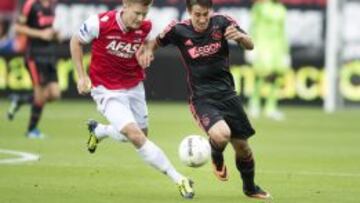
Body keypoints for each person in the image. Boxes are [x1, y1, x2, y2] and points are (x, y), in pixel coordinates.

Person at [137, 0, 271, 200]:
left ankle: (250, 188)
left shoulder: (223, 22)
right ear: (189, 12)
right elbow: (155, 43)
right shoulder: (178, 29)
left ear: (211, 11)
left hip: (228, 94)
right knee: (222, 134)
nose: (201, 19)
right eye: (197, 14)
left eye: (205, 14)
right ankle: (216, 157)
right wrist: (148, 51)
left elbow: (250, 45)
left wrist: (242, 38)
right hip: (202, 97)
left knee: (242, 147)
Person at [69, 0, 194, 199]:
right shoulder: (99, 23)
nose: (140, 19)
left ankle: (100, 131)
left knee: (138, 134)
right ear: (125, 5)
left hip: (134, 86)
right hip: (106, 90)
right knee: (136, 136)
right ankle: (179, 179)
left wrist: (146, 53)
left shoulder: (145, 26)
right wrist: (82, 76)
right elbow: (76, 41)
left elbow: (146, 45)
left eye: (144, 14)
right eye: (136, 13)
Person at [7, 0, 60, 138]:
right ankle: (31, 130)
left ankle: (21, 100)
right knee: (40, 94)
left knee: (55, 94)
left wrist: (55, 35)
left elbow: (48, 27)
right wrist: (40, 34)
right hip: (35, 55)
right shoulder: (30, 4)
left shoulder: (53, 4)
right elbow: (18, 28)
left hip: (49, 53)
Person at [247, 0, 290, 120]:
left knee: (277, 76)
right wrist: (250, 46)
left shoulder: (282, 9)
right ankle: (254, 104)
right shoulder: (260, 7)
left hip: (278, 47)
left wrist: (286, 52)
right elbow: (252, 26)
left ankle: (271, 107)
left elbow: (284, 32)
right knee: (261, 74)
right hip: (262, 44)